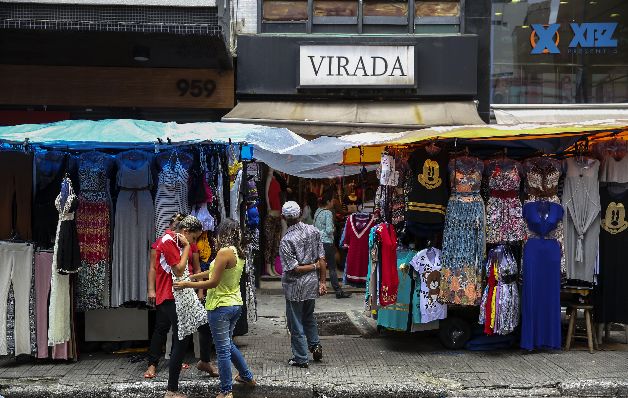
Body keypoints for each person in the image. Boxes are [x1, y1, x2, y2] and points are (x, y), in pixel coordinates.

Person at [175, 219, 255, 398]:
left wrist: (187, 284)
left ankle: (226, 391)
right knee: (228, 344)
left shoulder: (223, 252)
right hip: (235, 305)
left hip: (220, 306)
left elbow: (213, 281)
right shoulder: (238, 252)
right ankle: (247, 376)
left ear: (223, 233)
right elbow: (215, 272)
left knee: (222, 350)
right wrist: (195, 276)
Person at [148, 215, 218, 398]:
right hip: (172, 297)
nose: (194, 242)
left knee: (205, 325)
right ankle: (171, 391)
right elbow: (178, 269)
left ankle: (204, 361)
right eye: (194, 238)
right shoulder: (169, 241)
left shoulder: (175, 240)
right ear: (186, 232)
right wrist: (187, 246)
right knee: (182, 339)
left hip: (182, 295)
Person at [279, 201, 327, 368]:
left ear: (283, 217)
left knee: (296, 322)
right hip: (312, 283)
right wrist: (322, 281)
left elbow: (294, 269)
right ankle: (315, 345)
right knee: (309, 316)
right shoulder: (313, 231)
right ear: (300, 215)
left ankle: (301, 357)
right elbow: (322, 258)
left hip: (295, 286)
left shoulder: (286, 240)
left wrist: (314, 267)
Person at [314, 191, 352, 299]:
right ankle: (338, 291)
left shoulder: (317, 211)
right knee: (332, 267)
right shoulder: (328, 213)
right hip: (327, 242)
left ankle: (316, 288)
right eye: (332, 201)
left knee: (318, 266)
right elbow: (329, 230)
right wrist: (334, 228)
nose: (333, 203)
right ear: (328, 202)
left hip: (318, 242)